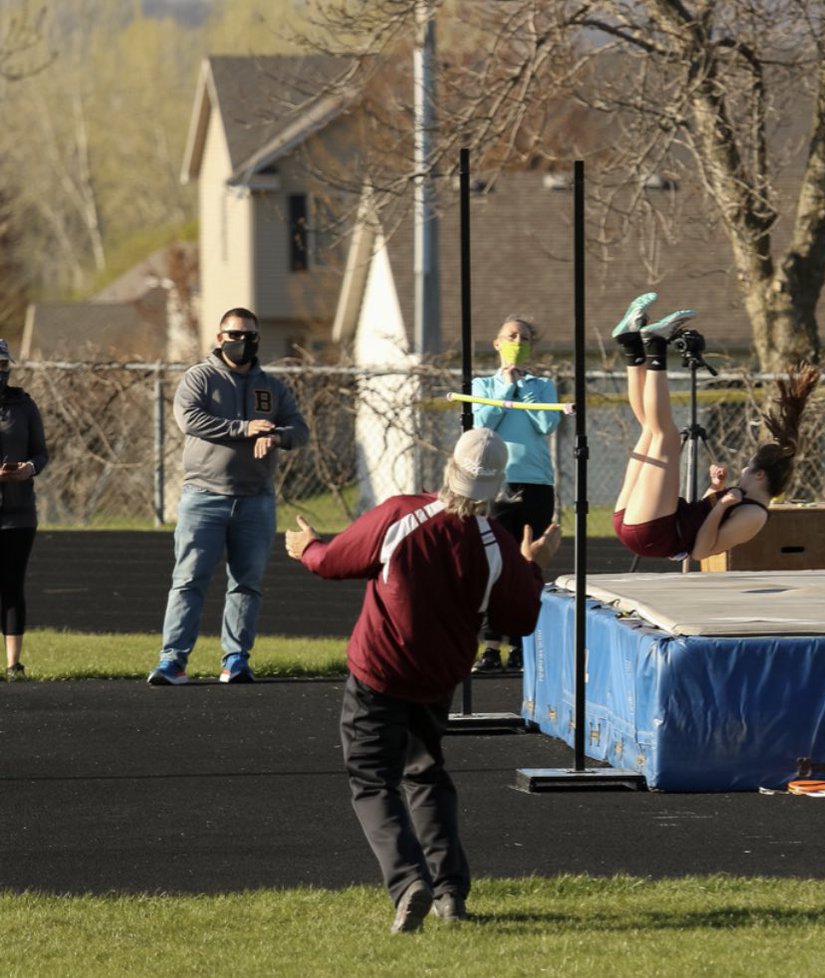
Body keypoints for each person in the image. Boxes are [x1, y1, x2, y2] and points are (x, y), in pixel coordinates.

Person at [284, 427, 561, 933]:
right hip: (437, 680)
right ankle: (450, 890)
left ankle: (408, 881)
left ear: (449, 468)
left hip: (380, 671)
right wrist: (533, 567)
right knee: (427, 774)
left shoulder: (402, 514)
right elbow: (520, 619)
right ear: (497, 486)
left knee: (371, 780)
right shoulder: (495, 543)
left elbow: (335, 562)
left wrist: (307, 547)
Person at [147, 308, 309, 686]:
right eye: (235, 335)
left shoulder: (271, 386)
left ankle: (235, 659)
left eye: (251, 335)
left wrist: (277, 436)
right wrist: (245, 428)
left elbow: (299, 429)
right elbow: (191, 419)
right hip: (204, 497)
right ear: (220, 338)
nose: (243, 342)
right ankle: (173, 660)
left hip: (256, 499)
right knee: (189, 580)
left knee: (247, 583)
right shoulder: (200, 378)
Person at [610, 293, 819, 562]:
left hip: (653, 534)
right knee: (651, 429)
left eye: (749, 467)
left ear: (760, 477)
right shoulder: (737, 497)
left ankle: (656, 345)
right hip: (643, 521)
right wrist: (714, 488)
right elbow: (701, 520)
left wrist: (720, 506)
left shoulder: (755, 515)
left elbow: (700, 552)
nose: (743, 470)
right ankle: (632, 345)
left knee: (667, 436)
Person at [469, 316, 561, 673]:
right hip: (497, 483)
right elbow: (484, 423)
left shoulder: (542, 386)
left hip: (536, 483)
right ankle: (491, 646)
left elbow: (546, 424)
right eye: (511, 336)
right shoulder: (482, 384)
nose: (517, 341)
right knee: (496, 565)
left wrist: (524, 388)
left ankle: (523, 646)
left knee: (529, 565)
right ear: (497, 342)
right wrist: (506, 387)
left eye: (524, 338)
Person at [0, 339, 48, 682]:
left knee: (12, 585)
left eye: (2, 365)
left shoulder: (24, 405)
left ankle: (14, 664)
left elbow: (41, 452)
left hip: (18, 513)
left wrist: (28, 469)